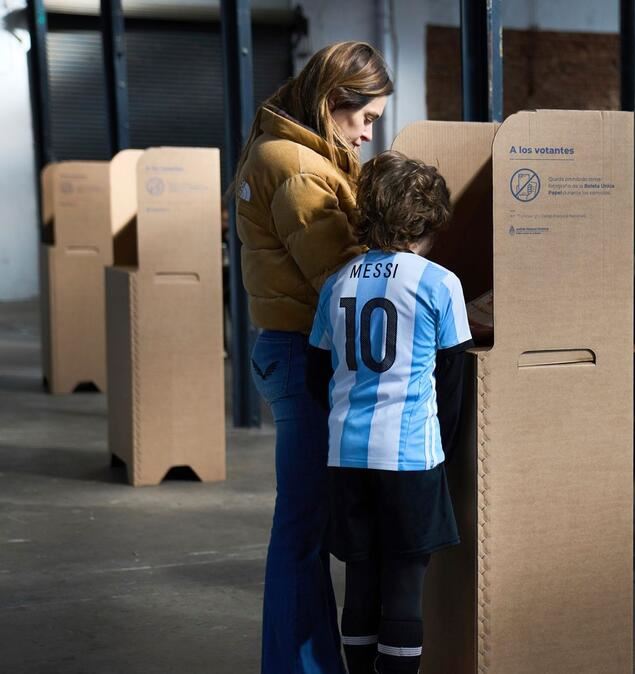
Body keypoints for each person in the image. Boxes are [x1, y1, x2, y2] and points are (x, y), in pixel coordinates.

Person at [233, 41, 393, 673]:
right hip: (303, 354)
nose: (369, 132)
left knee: (305, 525)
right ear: (333, 103)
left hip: (290, 350)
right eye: (367, 117)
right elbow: (341, 274)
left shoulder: (292, 152)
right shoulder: (298, 168)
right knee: (303, 530)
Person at [308, 151, 472, 674]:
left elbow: (318, 373)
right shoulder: (440, 283)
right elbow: (452, 381)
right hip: (408, 461)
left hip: (345, 455)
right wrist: (440, 450)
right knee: (404, 586)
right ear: (428, 220)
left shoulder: (337, 282)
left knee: (360, 582)